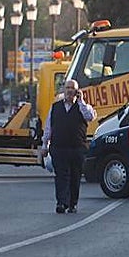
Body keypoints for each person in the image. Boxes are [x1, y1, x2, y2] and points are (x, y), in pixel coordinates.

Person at [39, 78, 96, 214]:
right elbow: (48, 127)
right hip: (59, 147)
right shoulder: (55, 107)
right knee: (61, 176)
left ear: (77, 91)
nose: (70, 91)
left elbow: (90, 117)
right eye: (67, 88)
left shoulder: (83, 107)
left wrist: (81, 101)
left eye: (73, 88)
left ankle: (72, 203)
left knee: (75, 176)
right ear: (64, 90)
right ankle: (61, 203)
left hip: (77, 148)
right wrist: (44, 145)